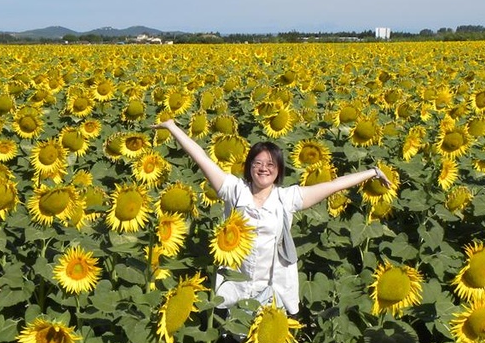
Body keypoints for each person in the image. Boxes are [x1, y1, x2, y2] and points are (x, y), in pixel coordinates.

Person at [153, 118, 391, 317]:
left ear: (278, 169)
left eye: (270, 163)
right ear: (249, 167)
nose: (263, 168)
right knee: (232, 336)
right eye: (257, 163)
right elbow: (202, 158)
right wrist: (173, 128)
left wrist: (372, 172)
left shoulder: (287, 198)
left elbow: (333, 185)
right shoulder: (234, 190)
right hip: (235, 283)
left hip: (271, 287)